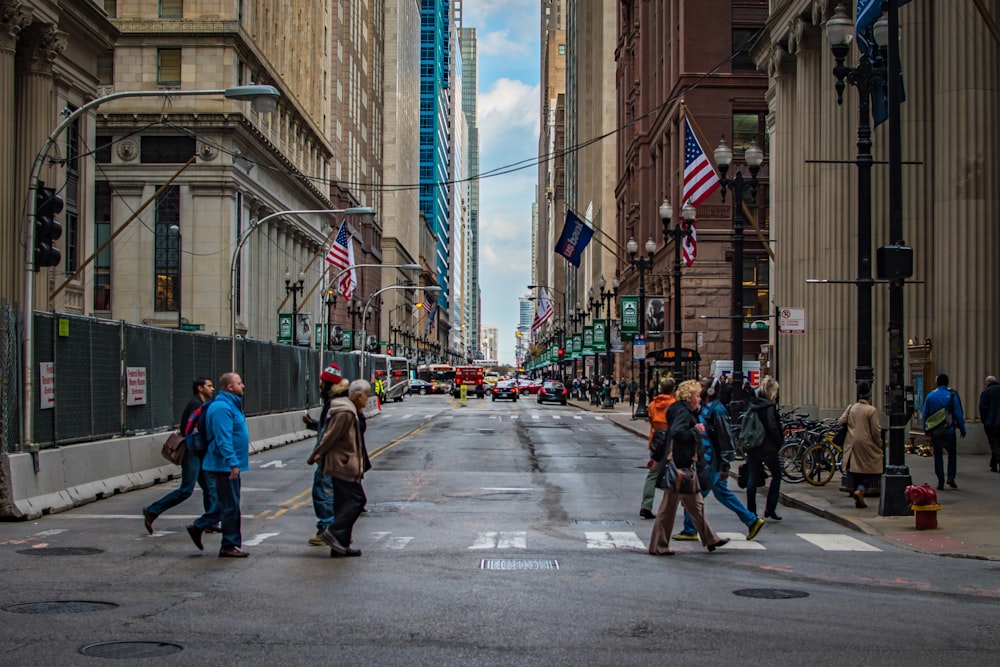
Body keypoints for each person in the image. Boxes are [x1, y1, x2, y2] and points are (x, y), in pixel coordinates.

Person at [647, 379, 729, 555]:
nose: (700, 398)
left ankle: (710, 538)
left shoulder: (681, 410)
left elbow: (667, 435)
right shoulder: (684, 413)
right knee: (668, 510)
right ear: (690, 396)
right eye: (698, 395)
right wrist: (695, 430)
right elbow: (676, 433)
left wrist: (655, 457)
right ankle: (659, 546)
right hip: (680, 467)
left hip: (683, 468)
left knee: (696, 504)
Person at [673, 383, 765, 541]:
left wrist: (725, 464)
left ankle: (690, 529)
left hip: (712, 461)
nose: (700, 394)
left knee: (695, 494)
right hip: (708, 459)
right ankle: (752, 520)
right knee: (722, 494)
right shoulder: (707, 408)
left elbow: (725, 437)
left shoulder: (717, 410)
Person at [142, 377, 219, 534]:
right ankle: (152, 510)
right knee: (186, 490)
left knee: (210, 487)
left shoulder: (201, 405)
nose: (212, 388)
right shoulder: (196, 405)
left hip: (199, 452)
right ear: (200, 388)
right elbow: (189, 429)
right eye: (209, 386)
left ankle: (210, 521)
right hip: (193, 453)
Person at [187, 372, 250, 558]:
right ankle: (228, 545)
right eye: (239, 383)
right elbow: (223, 439)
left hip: (226, 464)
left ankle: (199, 527)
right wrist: (232, 463)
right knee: (230, 506)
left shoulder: (231, 405)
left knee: (227, 504)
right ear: (230, 387)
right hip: (223, 465)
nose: (243, 385)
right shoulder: (222, 408)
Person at [311, 379, 372, 557]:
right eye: (366, 395)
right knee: (357, 500)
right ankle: (333, 532)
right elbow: (330, 436)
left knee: (343, 503)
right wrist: (317, 454)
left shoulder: (351, 409)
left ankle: (340, 546)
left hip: (345, 463)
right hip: (343, 464)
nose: (367, 400)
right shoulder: (346, 412)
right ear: (358, 396)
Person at [303, 365, 350, 545]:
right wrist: (313, 423)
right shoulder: (335, 402)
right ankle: (331, 528)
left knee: (324, 494)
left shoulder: (334, 404)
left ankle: (327, 529)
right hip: (332, 458)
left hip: (329, 459)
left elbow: (331, 433)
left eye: (322, 382)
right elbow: (327, 428)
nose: (320, 385)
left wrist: (319, 453)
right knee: (326, 493)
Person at [839, 381, 884, 509]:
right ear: (869, 396)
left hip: (852, 443)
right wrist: (879, 443)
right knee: (873, 468)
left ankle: (859, 496)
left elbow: (840, 421)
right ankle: (861, 490)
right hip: (866, 443)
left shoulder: (851, 407)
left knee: (856, 470)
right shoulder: (871, 410)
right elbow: (875, 430)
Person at [745, 375, 784, 521]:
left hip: (754, 445)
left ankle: (751, 511)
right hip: (767, 447)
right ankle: (770, 508)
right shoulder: (769, 407)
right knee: (777, 475)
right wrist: (779, 442)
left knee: (753, 477)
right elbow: (772, 427)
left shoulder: (754, 404)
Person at [922, 373, 967, 490]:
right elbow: (958, 414)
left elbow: (925, 414)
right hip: (949, 430)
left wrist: (926, 430)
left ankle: (940, 479)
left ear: (937, 383)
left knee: (938, 456)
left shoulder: (930, 396)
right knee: (952, 454)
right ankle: (951, 476)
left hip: (936, 431)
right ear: (947, 383)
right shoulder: (952, 395)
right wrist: (962, 429)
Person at [639, 378, 676, 519]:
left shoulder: (653, 404)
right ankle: (672, 507)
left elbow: (651, 422)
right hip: (670, 442)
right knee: (675, 474)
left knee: (652, 475)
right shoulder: (674, 405)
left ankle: (646, 505)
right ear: (673, 390)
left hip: (656, 441)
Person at [979, 375, 1000, 472]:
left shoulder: (986, 392)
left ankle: (997, 462)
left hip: (991, 422)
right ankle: (993, 464)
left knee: (994, 443)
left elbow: (982, 408)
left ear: (987, 383)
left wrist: (984, 420)